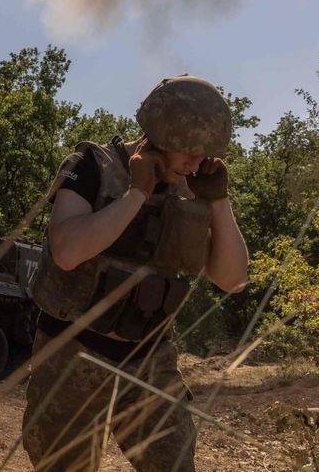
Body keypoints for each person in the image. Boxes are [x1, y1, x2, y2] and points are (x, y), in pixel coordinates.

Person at [22, 75, 249, 472]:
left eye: (204, 155)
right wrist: (136, 195)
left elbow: (232, 280)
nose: (196, 164)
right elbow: (68, 251)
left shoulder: (192, 190)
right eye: (189, 152)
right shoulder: (92, 167)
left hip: (149, 363)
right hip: (74, 358)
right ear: (161, 133)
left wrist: (219, 202)